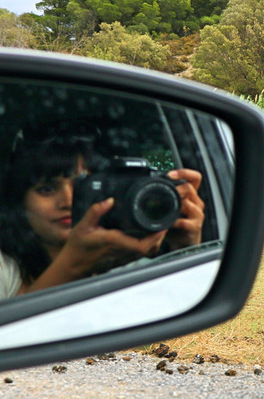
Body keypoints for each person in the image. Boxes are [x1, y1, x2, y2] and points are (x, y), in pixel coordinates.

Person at [0, 123, 204, 300]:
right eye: (47, 189)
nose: (68, 201)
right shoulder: (5, 270)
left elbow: (183, 307)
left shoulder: (129, 265)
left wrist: (184, 249)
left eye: (82, 185)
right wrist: (74, 266)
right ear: (20, 200)